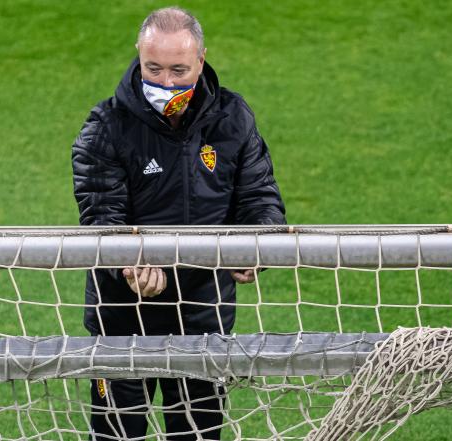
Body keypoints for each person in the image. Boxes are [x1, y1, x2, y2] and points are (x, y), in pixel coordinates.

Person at [72, 7, 286, 440]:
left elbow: (261, 199)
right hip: (123, 318)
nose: (165, 82)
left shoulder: (234, 119)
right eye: (154, 68)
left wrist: (256, 250)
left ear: (201, 60)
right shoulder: (105, 129)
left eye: (178, 69)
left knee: (197, 436)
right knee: (116, 436)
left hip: (204, 316)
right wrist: (128, 265)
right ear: (138, 54)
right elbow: (101, 218)